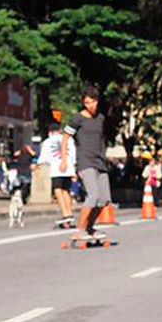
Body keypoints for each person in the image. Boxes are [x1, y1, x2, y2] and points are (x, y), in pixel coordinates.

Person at [64, 86, 110, 240]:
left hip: (100, 161)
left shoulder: (100, 118)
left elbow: (101, 139)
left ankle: (90, 227)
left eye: (92, 102)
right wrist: (65, 160)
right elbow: (65, 138)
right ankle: (80, 229)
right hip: (85, 160)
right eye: (87, 103)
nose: (90, 106)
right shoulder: (78, 119)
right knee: (93, 195)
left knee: (104, 198)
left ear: (97, 101)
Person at [38, 122, 77, 226]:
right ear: (60, 130)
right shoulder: (69, 139)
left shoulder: (47, 142)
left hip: (56, 168)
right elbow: (73, 154)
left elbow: (44, 157)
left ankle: (65, 214)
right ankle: (69, 212)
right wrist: (72, 165)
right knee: (66, 190)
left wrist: (37, 164)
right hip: (68, 167)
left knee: (57, 190)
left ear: (50, 132)